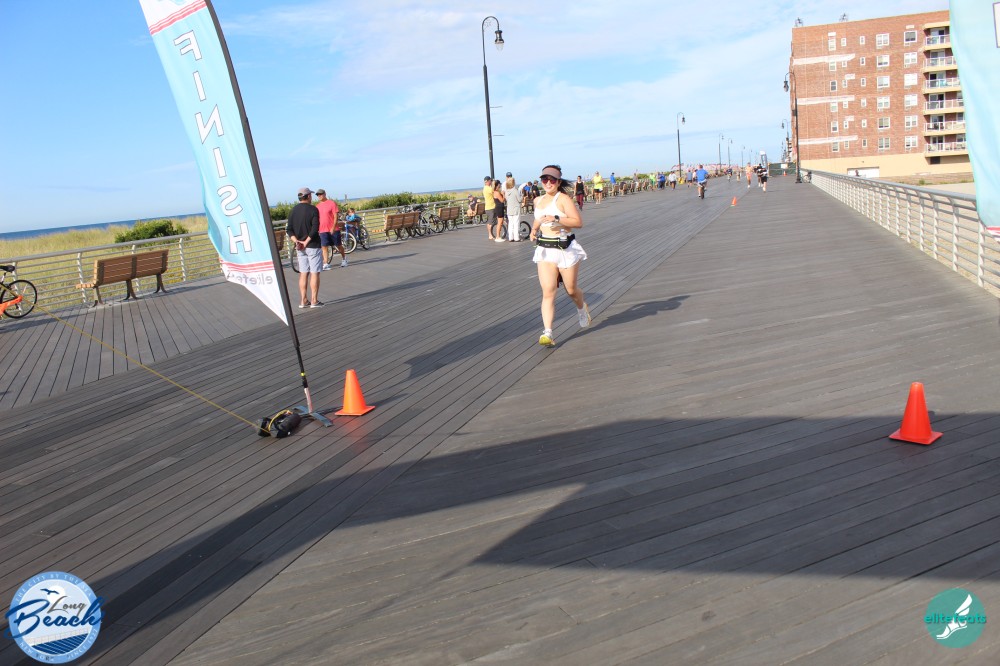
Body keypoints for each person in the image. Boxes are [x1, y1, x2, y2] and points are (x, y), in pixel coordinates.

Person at [528, 165, 590, 347]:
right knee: (548, 291)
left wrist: (556, 218)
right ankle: (547, 332)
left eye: (552, 180)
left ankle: (582, 309)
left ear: (558, 182)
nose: (548, 183)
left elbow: (577, 222)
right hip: (545, 249)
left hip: (565, 249)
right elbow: (539, 217)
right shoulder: (538, 200)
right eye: (544, 179)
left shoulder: (563, 199)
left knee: (571, 290)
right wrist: (534, 229)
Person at [285, 187, 324, 308]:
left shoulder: (293, 210)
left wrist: (297, 241)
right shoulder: (313, 209)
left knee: (303, 273)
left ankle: (303, 300)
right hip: (312, 245)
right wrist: (306, 242)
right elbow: (315, 228)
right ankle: (314, 300)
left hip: (300, 247)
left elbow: (289, 229)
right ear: (308, 196)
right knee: (314, 273)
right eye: (311, 195)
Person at [315, 189, 346, 269]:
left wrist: (333, 227)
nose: (319, 196)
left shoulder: (332, 203)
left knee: (338, 245)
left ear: (325, 194)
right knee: (324, 247)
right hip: (322, 230)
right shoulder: (317, 206)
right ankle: (326, 263)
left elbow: (336, 216)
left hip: (333, 229)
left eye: (320, 194)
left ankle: (344, 259)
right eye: (318, 195)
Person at [504, 174, 523, 241]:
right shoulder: (515, 190)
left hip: (509, 210)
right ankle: (516, 238)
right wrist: (522, 195)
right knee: (516, 223)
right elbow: (519, 200)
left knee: (510, 224)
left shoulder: (506, 192)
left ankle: (510, 237)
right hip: (515, 209)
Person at [482, 176, 497, 240]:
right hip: (491, 207)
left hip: (488, 207)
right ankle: (490, 235)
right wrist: (494, 185)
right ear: (488, 181)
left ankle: (490, 235)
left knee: (489, 222)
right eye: (490, 181)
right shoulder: (488, 188)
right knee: (491, 222)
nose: (491, 182)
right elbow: (495, 193)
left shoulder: (485, 188)